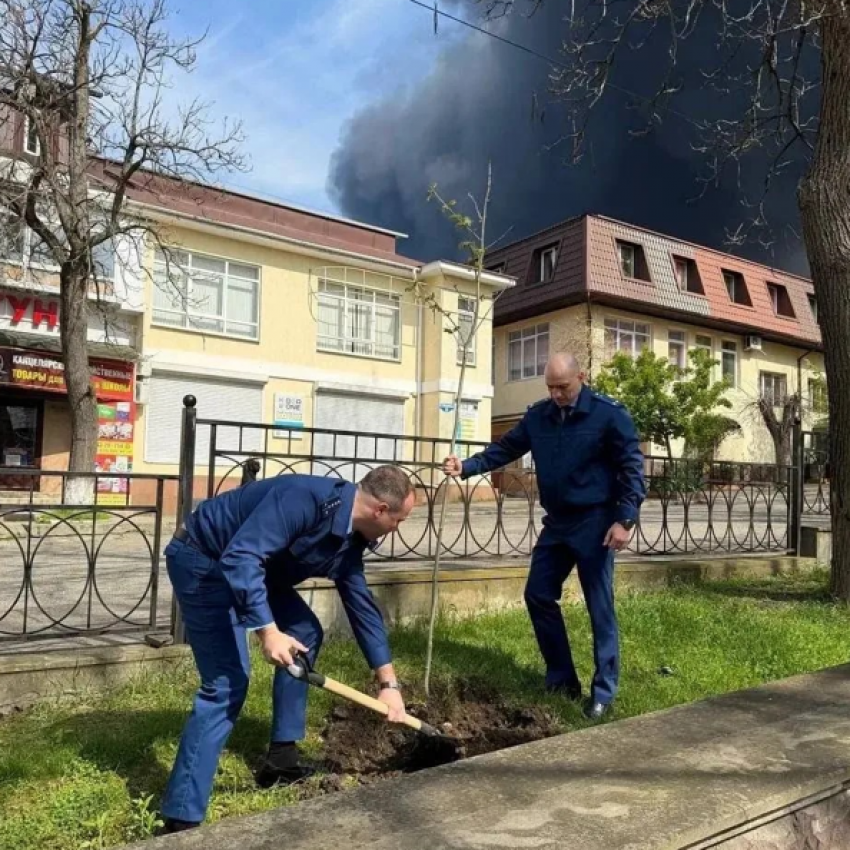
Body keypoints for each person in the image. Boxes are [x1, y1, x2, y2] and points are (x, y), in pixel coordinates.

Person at [160, 465, 415, 833]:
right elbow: (240, 558)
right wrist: (267, 630)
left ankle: (281, 760)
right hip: (205, 561)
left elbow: (361, 605)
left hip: (257, 570)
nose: (397, 529)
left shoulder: (349, 538)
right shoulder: (303, 498)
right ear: (379, 510)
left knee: (303, 633)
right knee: (227, 681)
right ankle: (181, 818)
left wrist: (388, 684)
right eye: (399, 520)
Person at [443, 353, 645, 720]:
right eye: (550, 388)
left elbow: (632, 467)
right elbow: (506, 449)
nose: (556, 395)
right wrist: (468, 466)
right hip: (558, 523)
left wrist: (625, 519)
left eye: (563, 387)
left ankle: (603, 692)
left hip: (596, 522)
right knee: (537, 594)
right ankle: (561, 680)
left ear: (580, 378)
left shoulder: (608, 414)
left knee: (599, 607)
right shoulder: (539, 416)